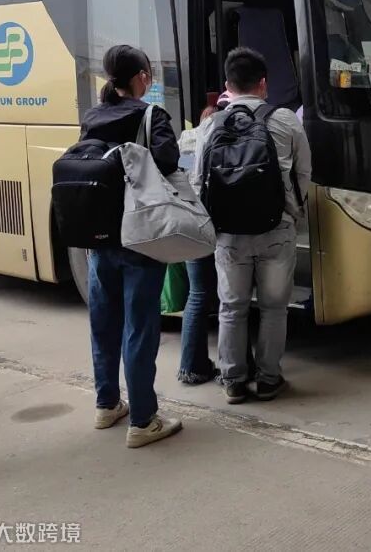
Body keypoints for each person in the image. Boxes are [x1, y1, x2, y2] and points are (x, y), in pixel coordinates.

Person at [192, 48, 312, 404]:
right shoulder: (285, 119)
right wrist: (293, 211)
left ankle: (233, 380)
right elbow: (303, 172)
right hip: (276, 229)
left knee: (232, 307)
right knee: (274, 308)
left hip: (228, 234)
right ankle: (269, 379)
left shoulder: (210, 125)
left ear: (227, 85)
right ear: (263, 84)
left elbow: (198, 182)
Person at [79, 45, 182, 448]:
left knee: (104, 324)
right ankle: (143, 420)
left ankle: (107, 405)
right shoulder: (150, 115)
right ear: (141, 77)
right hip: (140, 236)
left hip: (99, 239)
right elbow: (169, 163)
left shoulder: (93, 116)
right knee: (139, 327)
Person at [177, 105, 222, 386]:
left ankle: (191, 367)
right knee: (229, 296)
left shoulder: (186, 140)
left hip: (189, 223)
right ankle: (234, 368)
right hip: (215, 224)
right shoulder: (220, 139)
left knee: (197, 294)